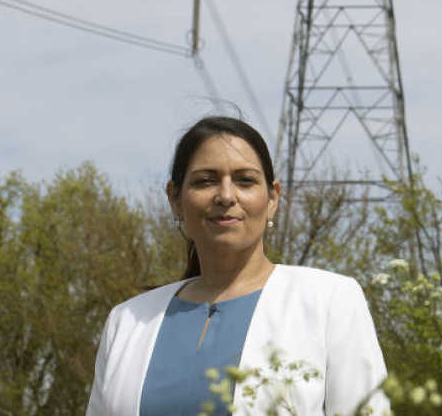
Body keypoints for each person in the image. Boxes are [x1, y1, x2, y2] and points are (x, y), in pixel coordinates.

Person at [86, 116, 389, 416]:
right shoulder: (126, 322)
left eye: (245, 180)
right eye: (205, 181)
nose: (226, 196)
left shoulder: (330, 301)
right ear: (175, 199)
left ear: (272, 198)